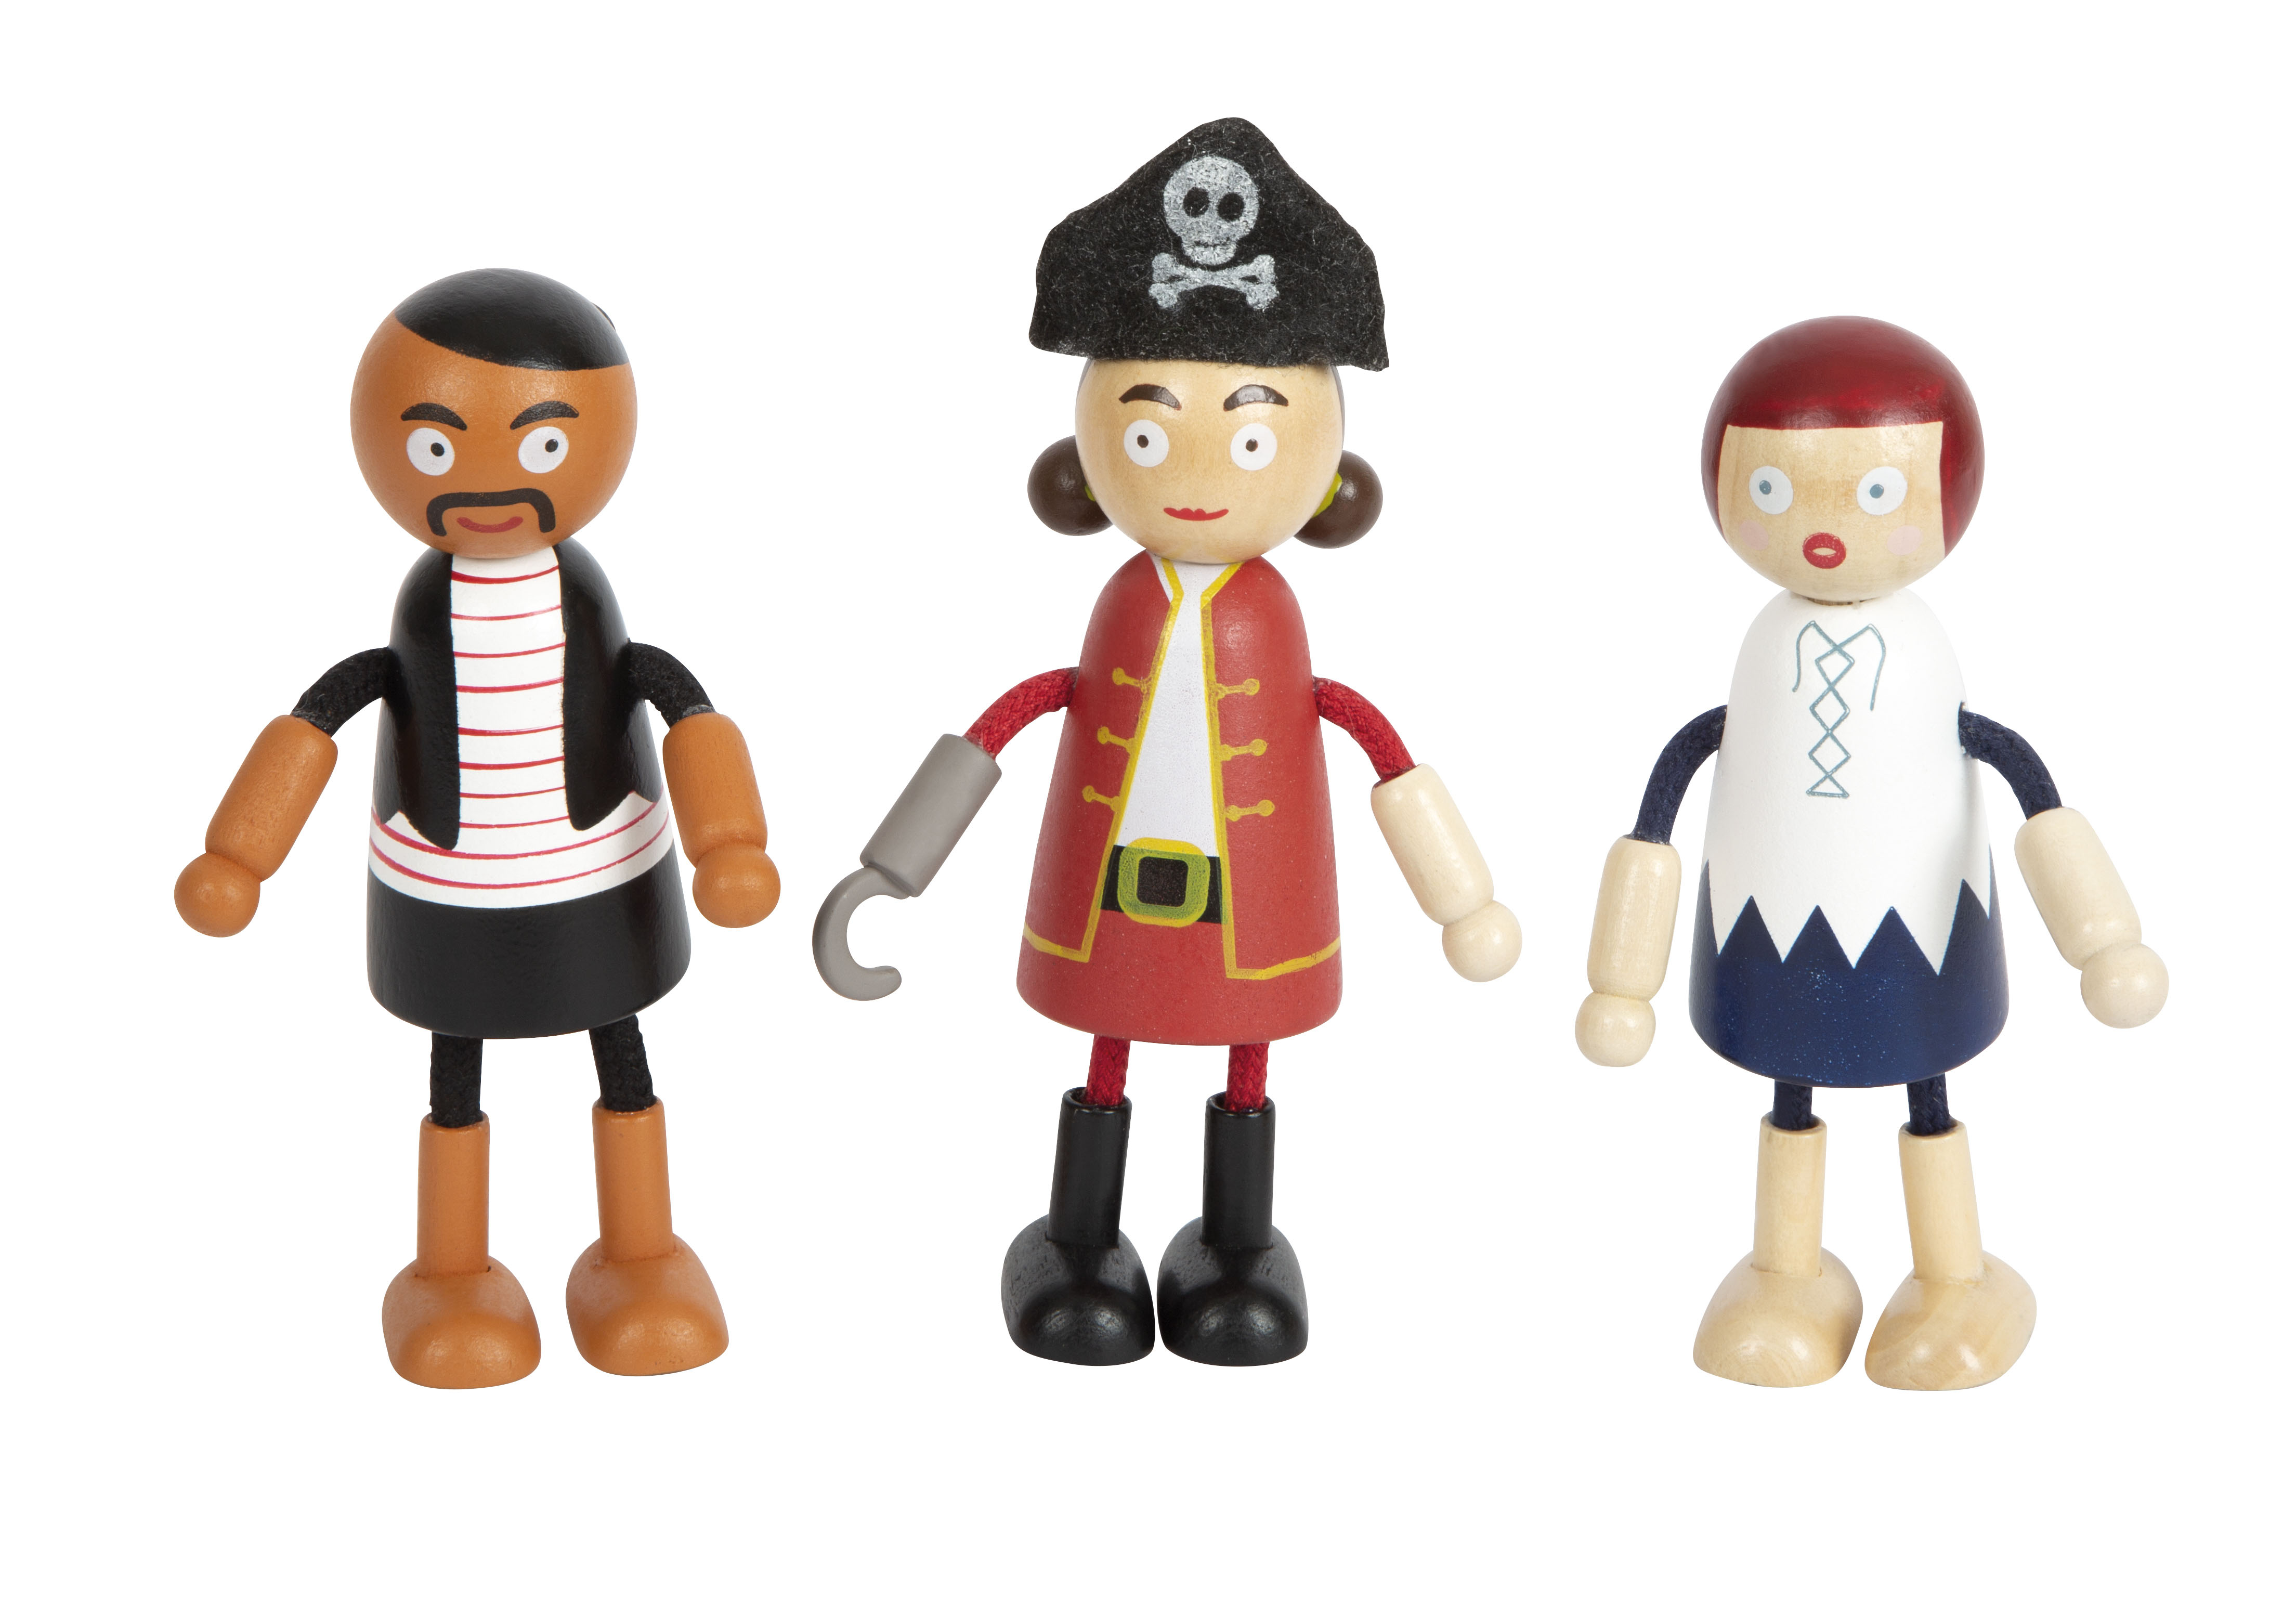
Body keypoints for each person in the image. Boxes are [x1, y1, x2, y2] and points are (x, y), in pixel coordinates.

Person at [814, 119, 1520, 1366]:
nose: (1197, 473)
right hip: (1111, 890)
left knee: (1247, 1053)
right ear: (1087, 460)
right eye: (1148, 434)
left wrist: (1460, 898)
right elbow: (1012, 720)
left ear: (1327, 472)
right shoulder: (1124, 610)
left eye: (1252, 440)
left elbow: (1378, 750)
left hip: (1255, 899)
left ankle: (1238, 1248)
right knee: (1113, 1043)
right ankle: (1079, 1241)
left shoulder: (1270, 619)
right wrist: (895, 866)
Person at [175, 268, 780, 1387]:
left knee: (623, 1059)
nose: (490, 483)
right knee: (458, 1074)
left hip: (599, 875)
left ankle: (641, 1257)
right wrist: (240, 853)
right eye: (437, 447)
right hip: (446, 890)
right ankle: (450, 1274)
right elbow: (322, 715)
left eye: (542, 445)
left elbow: (678, 702)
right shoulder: (421, 613)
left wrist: (728, 841)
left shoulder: (589, 606)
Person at [1575, 315, 2169, 1389]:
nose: (1823, 532)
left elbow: (2024, 782)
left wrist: (2102, 939)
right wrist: (1626, 975)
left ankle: (1956, 1278)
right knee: (1790, 1088)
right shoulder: (1764, 651)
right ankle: (1786, 1274)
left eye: (1877, 492)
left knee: (1923, 1086)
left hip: (1921, 922)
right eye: (1773, 490)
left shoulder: (1920, 650)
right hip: (1767, 918)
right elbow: (1671, 794)